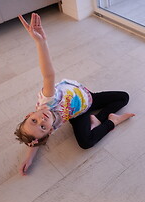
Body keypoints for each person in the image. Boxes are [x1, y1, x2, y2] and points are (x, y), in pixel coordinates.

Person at [14, 13, 135, 175]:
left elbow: (48, 75)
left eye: (34, 120)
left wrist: (41, 42)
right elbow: (35, 141)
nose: (42, 119)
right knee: (86, 143)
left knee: (124, 97)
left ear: (30, 114)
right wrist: (30, 159)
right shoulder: (48, 128)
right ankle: (112, 121)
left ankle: (97, 118)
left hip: (88, 98)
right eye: (43, 126)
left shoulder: (48, 100)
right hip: (78, 113)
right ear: (50, 131)